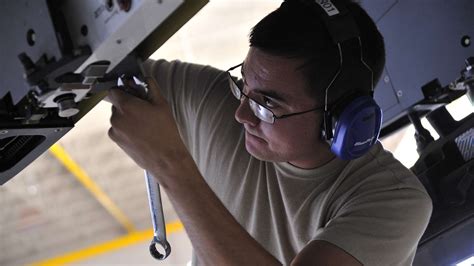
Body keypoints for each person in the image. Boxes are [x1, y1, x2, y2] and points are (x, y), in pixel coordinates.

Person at [107, 0, 432, 265]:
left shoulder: (394, 202)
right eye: (244, 85)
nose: (242, 114)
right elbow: (103, 66)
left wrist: (171, 167)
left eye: (267, 105)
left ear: (341, 118)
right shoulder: (217, 103)